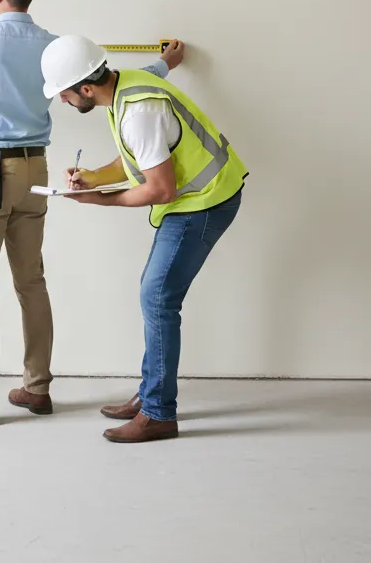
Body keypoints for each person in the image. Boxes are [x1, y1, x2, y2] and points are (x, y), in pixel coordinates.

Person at [0, 0, 184, 426]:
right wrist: (164, 63)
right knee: (31, 281)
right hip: (35, 170)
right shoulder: (54, 48)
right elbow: (114, 81)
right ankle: (36, 388)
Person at [40, 35, 247, 443]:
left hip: (203, 202)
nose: (62, 102)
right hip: (193, 201)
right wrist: (95, 177)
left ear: (85, 87)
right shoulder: (124, 86)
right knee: (155, 295)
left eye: (63, 95)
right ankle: (149, 393)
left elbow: (160, 189)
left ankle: (158, 414)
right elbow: (137, 154)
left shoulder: (138, 112)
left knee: (157, 297)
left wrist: (101, 200)